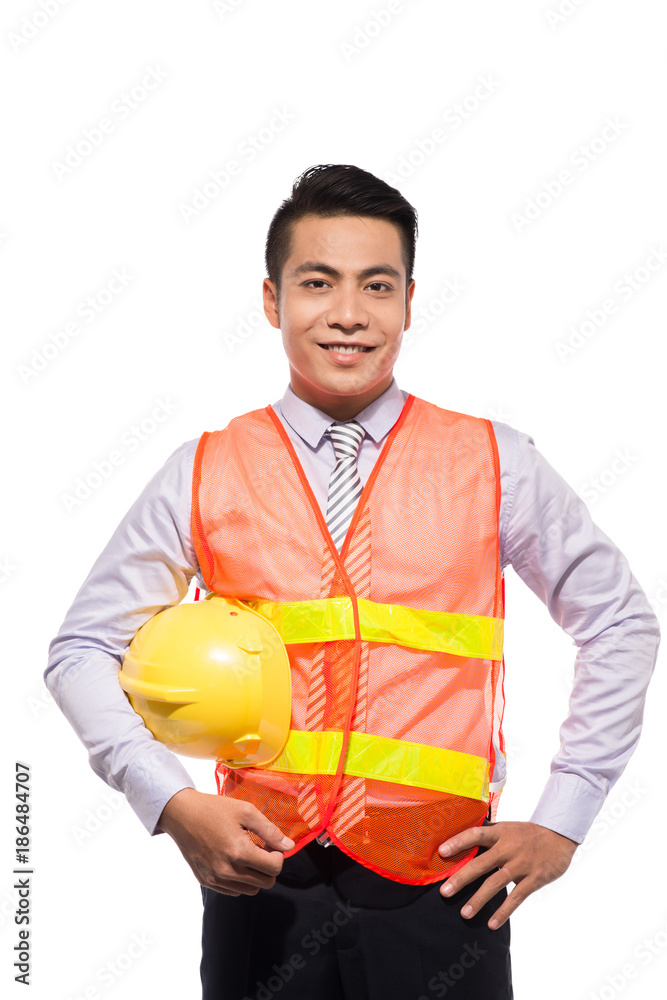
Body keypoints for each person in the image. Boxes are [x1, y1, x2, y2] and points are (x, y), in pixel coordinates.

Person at [45, 163, 660, 1000]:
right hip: (259, 880)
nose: (347, 314)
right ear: (271, 301)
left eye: (376, 285)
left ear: (409, 300)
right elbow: (82, 647)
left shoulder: (495, 461)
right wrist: (170, 803)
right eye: (316, 282)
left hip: (445, 888)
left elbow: (619, 622)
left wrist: (563, 816)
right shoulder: (203, 469)